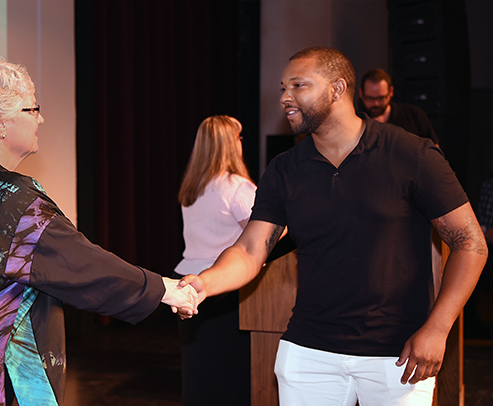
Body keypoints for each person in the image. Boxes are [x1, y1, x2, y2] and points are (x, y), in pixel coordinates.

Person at [179, 46, 487, 405]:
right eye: (282, 88)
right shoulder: (284, 170)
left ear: (338, 89)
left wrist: (438, 327)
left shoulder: (411, 154)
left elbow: (470, 242)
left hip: (398, 354)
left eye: (298, 85)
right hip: (308, 352)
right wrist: (204, 282)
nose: (285, 97)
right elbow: (250, 250)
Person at [0, 55, 197, 406]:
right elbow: (82, 265)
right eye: (31, 109)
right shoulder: (9, 198)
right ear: (0, 124)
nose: (40, 118)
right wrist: (168, 290)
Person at [173, 115, 256, 406]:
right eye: (238, 137)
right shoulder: (237, 187)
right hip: (226, 289)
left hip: (189, 285)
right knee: (231, 376)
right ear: (229, 145)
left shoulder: (191, 188)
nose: (241, 143)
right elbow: (264, 235)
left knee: (200, 376)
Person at [358, 68, 439, 145]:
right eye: (370, 98)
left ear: (391, 92)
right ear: (361, 93)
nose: (376, 104)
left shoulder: (413, 115)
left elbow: (434, 151)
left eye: (381, 98)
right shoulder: (357, 121)